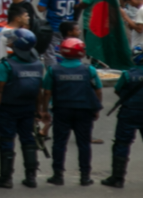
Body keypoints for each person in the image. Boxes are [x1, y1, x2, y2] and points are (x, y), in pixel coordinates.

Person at [102, 45, 143, 188]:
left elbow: (118, 90)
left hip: (129, 113)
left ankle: (117, 178)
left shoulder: (127, 75)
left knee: (122, 143)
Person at [0, 28, 43, 188]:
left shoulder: (7, 64)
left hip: (8, 110)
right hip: (28, 108)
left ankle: (5, 178)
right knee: (29, 141)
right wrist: (39, 110)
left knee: (6, 141)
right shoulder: (38, 64)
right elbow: (39, 91)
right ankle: (31, 177)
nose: (9, 42)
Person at [40, 38, 101, 186]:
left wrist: (44, 110)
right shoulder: (89, 70)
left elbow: (47, 92)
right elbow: (97, 89)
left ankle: (58, 175)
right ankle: (85, 176)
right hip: (84, 111)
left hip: (61, 110)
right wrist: (96, 107)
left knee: (59, 143)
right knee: (84, 144)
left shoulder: (53, 70)